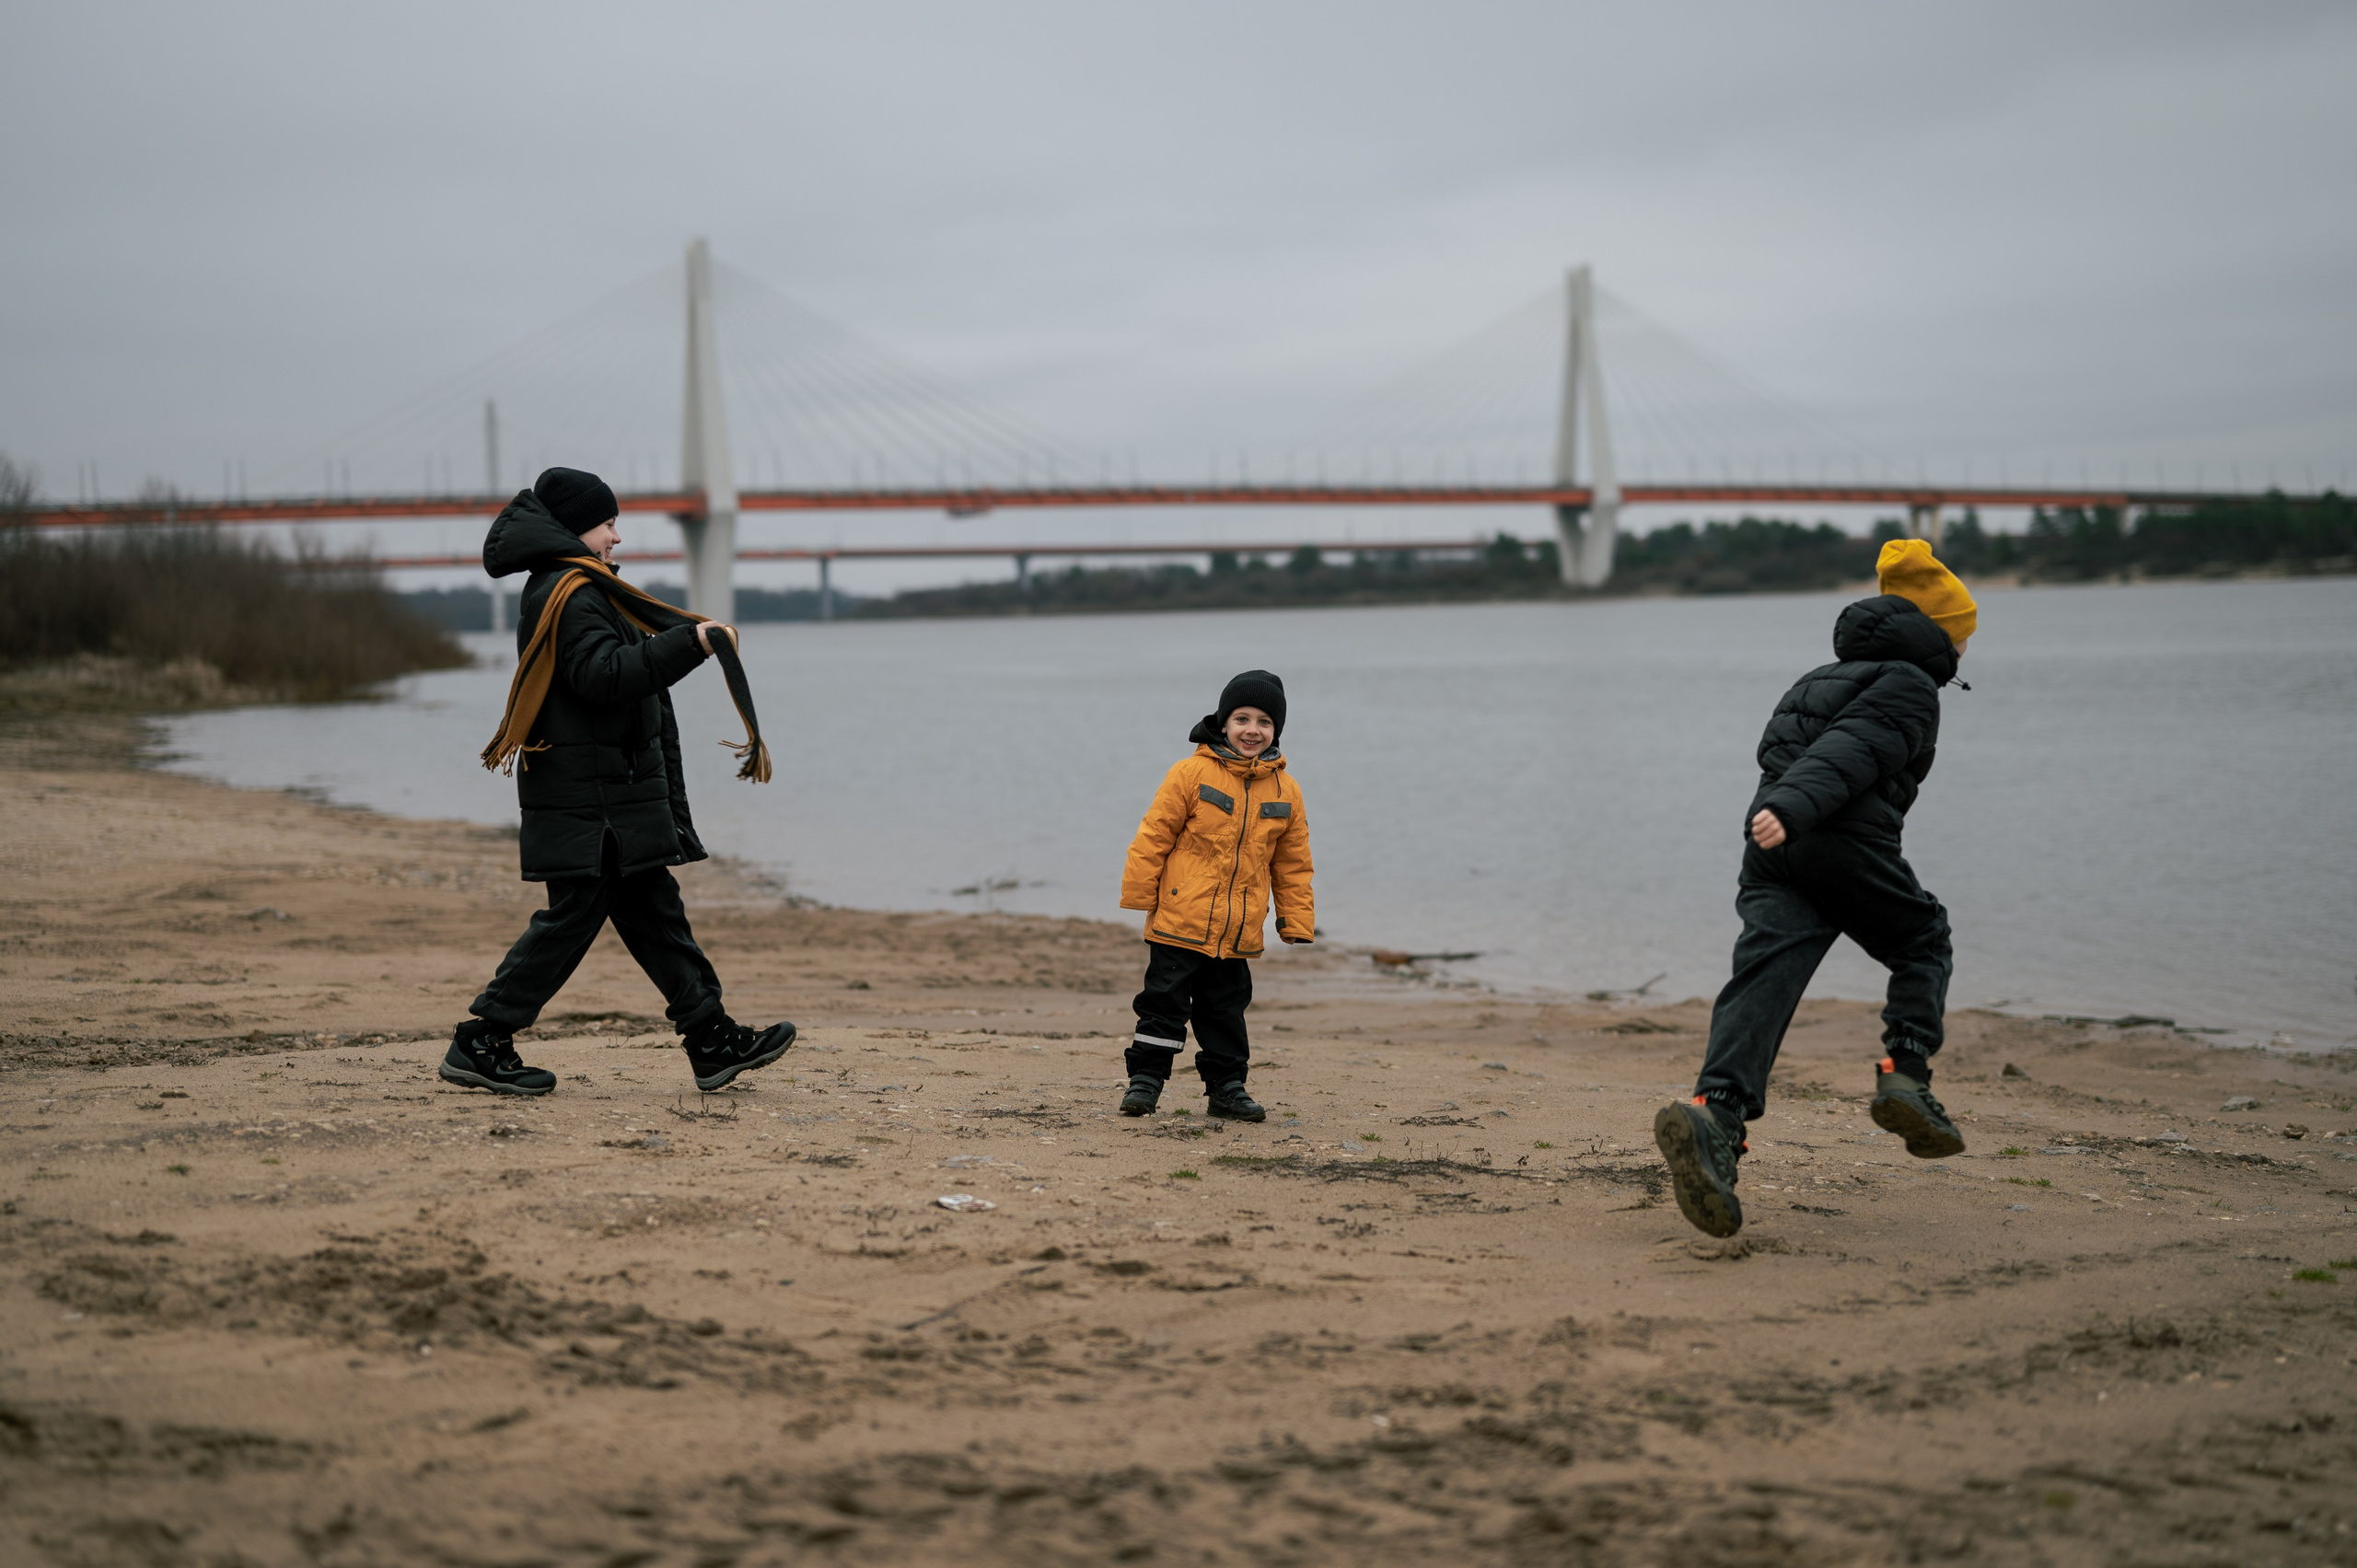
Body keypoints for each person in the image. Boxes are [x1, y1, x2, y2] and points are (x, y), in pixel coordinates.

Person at [1654, 540, 1978, 1238]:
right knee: (1924, 940)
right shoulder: (1910, 685)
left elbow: (1788, 751)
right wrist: (1798, 807)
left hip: (1771, 847)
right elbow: (1851, 749)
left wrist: (1779, 815)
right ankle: (1905, 1074)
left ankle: (1715, 1117)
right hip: (1833, 836)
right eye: (1962, 637)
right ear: (1942, 634)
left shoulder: (1819, 676)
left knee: (1765, 978)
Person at [439, 466, 794, 1097]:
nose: (616, 538)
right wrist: (692, 643)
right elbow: (604, 676)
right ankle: (481, 1039)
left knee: (657, 916)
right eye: (608, 524)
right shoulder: (572, 593)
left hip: (607, 795)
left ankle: (710, 1038)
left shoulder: (576, 587)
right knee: (571, 922)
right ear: (576, 528)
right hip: (594, 803)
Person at [1115, 670, 1316, 1122]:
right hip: (1179, 921)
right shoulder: (1190, 773)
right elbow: (1153, 837)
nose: (1252, 730)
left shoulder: (1287, 790)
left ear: (1275, 731)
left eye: (1264, 722)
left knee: (1225, 1013)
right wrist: (1140, 894)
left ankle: (1227, 1089)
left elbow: (1292, 864)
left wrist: (1295, 920)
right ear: (1223, 723)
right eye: (1242, 718)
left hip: (1238, 931)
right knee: (1162, 1008)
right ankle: (1145, 1083)